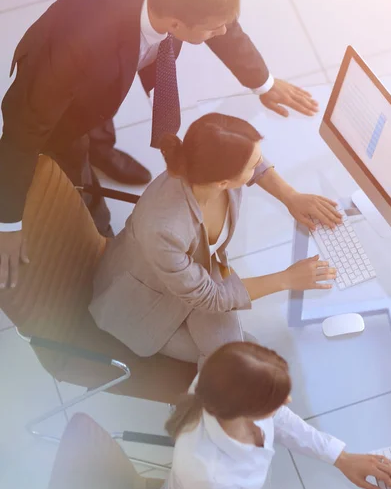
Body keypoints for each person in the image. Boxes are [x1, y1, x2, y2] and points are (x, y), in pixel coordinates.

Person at [0, 0, 320, 290]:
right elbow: (21, 134)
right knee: (69, 146)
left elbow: (222, 22)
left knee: (101, 103)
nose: (221, 33)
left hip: (102, 74)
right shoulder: (75, 50)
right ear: (175, 25)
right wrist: (7, 223)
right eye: (212, 30)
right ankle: (99, 225)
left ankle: (101, 147)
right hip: (55, 83)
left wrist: (263, 83)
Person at [89, 113, 342, 364]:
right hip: (146, 303)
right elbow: (211, 297)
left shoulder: (206, 169)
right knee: (240, 360)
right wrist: (287, 279)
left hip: (196, 278)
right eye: (253, 166)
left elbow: (254, 162)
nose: (260, 165)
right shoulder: (163, 230)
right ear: (224, 182)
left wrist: (291, 196)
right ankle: (199, 403)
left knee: (246, 353)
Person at [148, 341, 391, 489]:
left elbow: (278, 417)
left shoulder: (222, 385)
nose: (288, 400)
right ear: (247, 411)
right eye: (277, 398)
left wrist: (340, 457)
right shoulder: (209, 474)